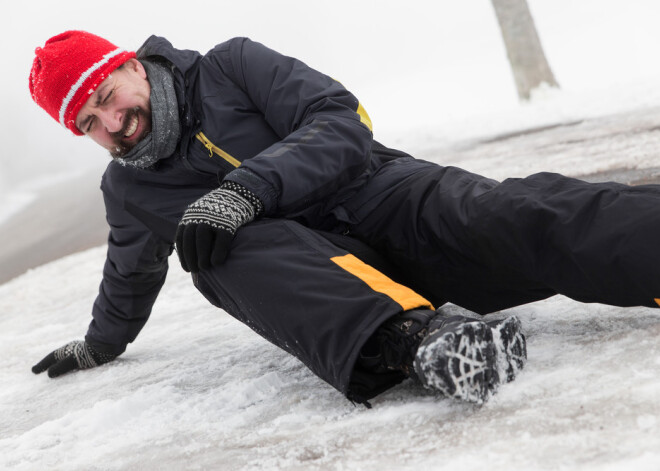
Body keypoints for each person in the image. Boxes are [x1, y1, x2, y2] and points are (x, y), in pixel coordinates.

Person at [28, 31, 660, 407]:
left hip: (389, 197)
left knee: (517, 214)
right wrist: (100, 343)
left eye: (106, 97)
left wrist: (247, 187)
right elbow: (129, 273)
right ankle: (419, 345)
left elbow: (340, 120)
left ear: (132, 66)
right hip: (329, 292)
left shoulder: (230, 65)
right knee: (213, 252)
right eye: (88, 123)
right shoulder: (128, 189)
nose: (111, 124)